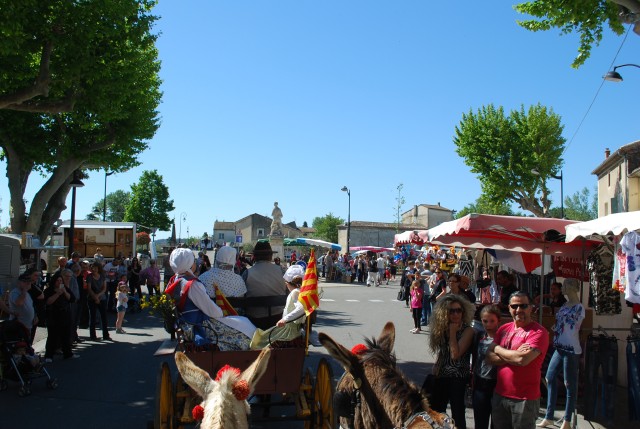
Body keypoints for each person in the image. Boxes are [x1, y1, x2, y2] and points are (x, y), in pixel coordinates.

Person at [165, 248, 255, 351]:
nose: (195, 263)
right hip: (198, 326)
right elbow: (213, 311)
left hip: (186, 324)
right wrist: (222, 314)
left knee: (242, 322)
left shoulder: (174, 281)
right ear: (189, 264)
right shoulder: (192, 285)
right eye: (193, 261)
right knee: (245, 325)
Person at [486, 291, 549, 429]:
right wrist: (513, 355)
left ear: (531, 307)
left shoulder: (539, 332)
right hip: (500, 394)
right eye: (514, 306)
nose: (518, 310)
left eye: (523, 306)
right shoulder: (503, 329)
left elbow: (522, 360)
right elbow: (488, 357)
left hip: (525, 399)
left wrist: (497, 349)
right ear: (509, 307)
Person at [538, 279, 584, 429]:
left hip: (570, 348)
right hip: (559, 347)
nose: (562, 288)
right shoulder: (565, 305)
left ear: (570, 287)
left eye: (564, 286)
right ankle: (549, 416)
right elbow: (560, 323)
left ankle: (567, 419)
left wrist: (561, 324)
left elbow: (573, 326)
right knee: (549, 377)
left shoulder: (579, 307)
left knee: (569, 383)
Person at [428, 294, 476, 429]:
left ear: (463, 311)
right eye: (451, 311)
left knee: (458, 414)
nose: (456, 314)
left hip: (458, 377)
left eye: (458, 310)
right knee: (437, 412)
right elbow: (443, 352)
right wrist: (437, 365)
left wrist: (453, 332)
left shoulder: (468, 330)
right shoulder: (444, 328)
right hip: (441, 375)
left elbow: (455, 354)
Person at [250, 265, 306, 349]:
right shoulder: (299, 292)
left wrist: (285, 319)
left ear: (287, 283)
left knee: (261, 341)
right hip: (290, 329)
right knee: (264, 337)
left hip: (288, 332)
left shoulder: (295, 292)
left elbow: (301, 308)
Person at [242, 242, 287, 329]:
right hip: (278, 317)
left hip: (255, 320)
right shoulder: (282, 271)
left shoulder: (247, 273)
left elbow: (242, 295)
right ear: (270, 256)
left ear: (254, 257)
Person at [472, 305, 501, 429]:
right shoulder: (479, 336)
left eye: (492, 321)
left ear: (498, 321)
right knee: (480, 421)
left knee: (497, 422)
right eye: (485, 321)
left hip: (498, 384)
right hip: (480, 382)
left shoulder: (504, 337)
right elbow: (474, 357)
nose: (488, 324)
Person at [43, 271, 77, 362]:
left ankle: (68, 354)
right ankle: (49, 355)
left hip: (65, 314)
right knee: (52, 336)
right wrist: (57, 293)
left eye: (61, 281)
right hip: (53, 315)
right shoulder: (49, 290)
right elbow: (48, 302)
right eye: (57, 281)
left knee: (66, 335)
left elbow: (72, 299)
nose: (59, 282)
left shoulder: (65, 288)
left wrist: (64, 292)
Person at [9, 272, 36, 342]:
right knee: (19, 346)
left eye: (29, 282)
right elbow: (19, 303)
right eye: (25, 282)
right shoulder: (15, 292)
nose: (28, 284)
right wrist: (24, 290)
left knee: (27, 345)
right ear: (19, 282)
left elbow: (30, 306)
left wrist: (35, 316)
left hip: (28, 325)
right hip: (18, 326)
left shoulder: (27, 294)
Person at [87, 262, 111, 341]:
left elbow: (104, 288)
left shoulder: (102, 276)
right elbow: (89, 288)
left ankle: (106, 335)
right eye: (93, 267)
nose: (94, 269)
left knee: (104, 317)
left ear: (99, 268)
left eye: (96, 268)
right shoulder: (89, 276)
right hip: (92, 299)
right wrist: (95, 297)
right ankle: (93, 336)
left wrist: (98, 296)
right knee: (92, 317)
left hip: (102, 298)